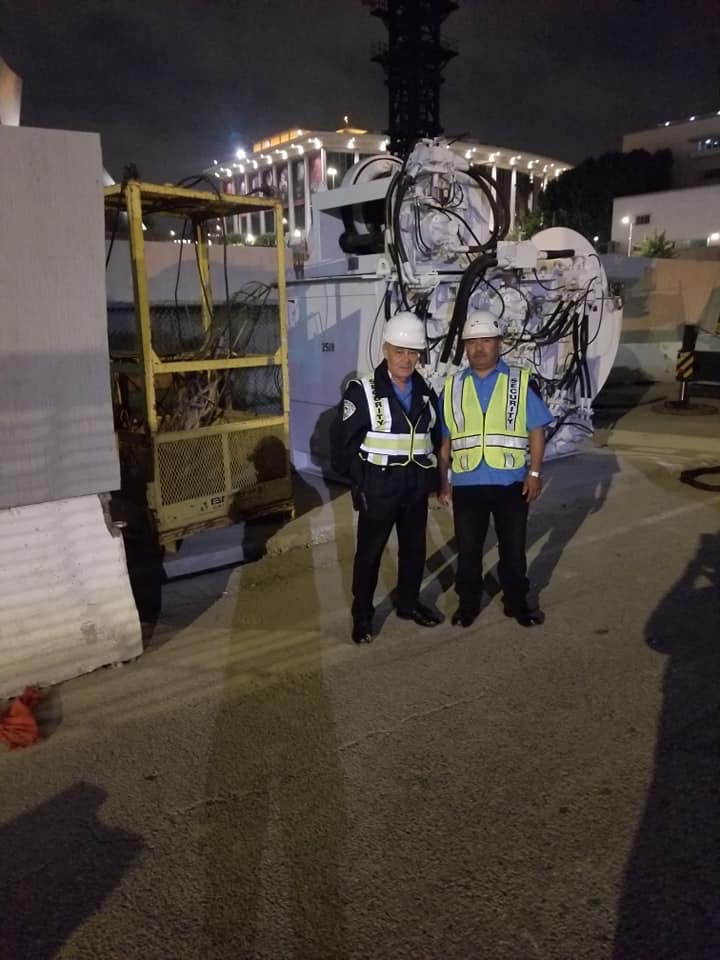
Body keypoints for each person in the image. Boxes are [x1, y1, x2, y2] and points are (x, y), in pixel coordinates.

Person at [438, 309, 553, 628]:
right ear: (465, 347)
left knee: (514, 550)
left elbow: (536, 430)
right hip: (467, 484)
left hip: (511, 482)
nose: (479, 348)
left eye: (486, 340)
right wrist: (443, 482)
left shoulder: (520, 381)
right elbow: (444, 440)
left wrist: (534, 473)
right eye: (473, 342)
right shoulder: (451, 388)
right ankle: (467, 605)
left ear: (499, 344)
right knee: (469, 551)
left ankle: (517, 603)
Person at [333, 312, 443, 644]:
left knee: (413, 550)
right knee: (369, 554)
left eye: (413, 352)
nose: (407, 359)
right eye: (400, 351)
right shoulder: (362, 391)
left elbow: (434, 438)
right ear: (385, 350)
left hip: (414, 486)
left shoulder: (426, 391)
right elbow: (343, 448)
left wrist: (435, 481)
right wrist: (361, 484)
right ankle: (362, 617)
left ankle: (408, 604)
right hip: (378, 486)